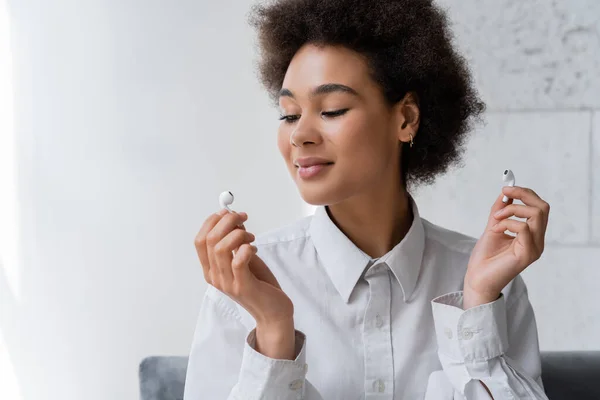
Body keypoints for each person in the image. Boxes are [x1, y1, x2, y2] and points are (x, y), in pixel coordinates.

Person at [183, 0, 551, 398]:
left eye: (332, 109)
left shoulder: (490, 280)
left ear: (405, 119)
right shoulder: (243, 284)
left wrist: (477, 308)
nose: (299, 135)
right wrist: (274, 334)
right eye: (289, 114)